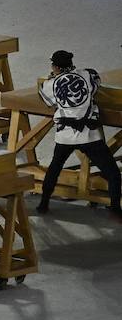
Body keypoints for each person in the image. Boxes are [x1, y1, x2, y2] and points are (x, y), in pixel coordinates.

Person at [35, 50, 122, 218]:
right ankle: (115, 208)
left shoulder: (51, 84)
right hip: (89, 135)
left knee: (54, 168)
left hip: (65, 136)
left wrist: (52, 77)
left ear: (56, 67)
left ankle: (43, 203)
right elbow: (96, 82)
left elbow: (46, 99)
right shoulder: (87, 75)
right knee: (112, 172)